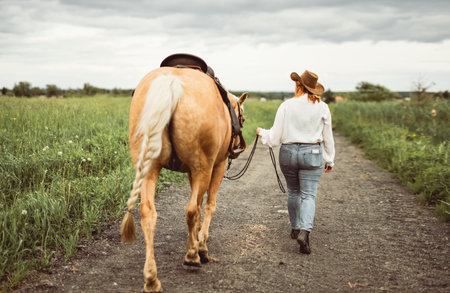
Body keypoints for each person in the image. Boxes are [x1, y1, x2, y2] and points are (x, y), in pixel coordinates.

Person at [256, 70, 335, 254]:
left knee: (293, 191)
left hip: (289, 152)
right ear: (313, 89)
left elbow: (275, 137)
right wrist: (329, 159)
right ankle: (305, 233)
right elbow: (327, 137)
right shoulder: (322, 107)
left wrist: (262, 133)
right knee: (308, 195)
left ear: (298, 86)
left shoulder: (286, 105)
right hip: (313, 152)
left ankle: (295, 227)